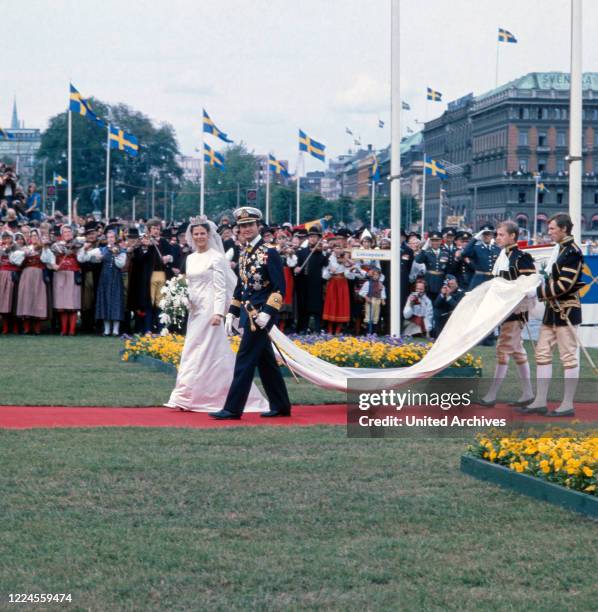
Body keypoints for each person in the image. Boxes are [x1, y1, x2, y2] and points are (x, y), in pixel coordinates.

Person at [166, 217, 268, 413]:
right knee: (191, 350)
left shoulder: (216, 257)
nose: (199, 237)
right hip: (195, 311)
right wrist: (182, 299)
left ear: (209, 235)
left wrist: (219, 314)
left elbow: (221, 289)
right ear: (191, 236)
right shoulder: (190, 258)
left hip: (211, 310)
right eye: (196, 234)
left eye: (202, 233)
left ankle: (201, 396)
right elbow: (188, 284)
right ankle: (187, 395)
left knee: (209, 352)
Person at [210, 206, 292, 420]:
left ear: (258, 226)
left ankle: (232, 408)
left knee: (244, 359)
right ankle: (281, 405)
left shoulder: (269, 252)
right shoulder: (245, 252)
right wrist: (232, 312)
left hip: (261, 317)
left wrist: (268, 312)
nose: (246, 229)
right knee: (266, 363)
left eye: (250, 225)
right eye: (242, 226)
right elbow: (241, 287)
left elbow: (279, 287)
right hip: (249, 314)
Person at [520, 213, 585, 417]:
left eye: (552, 229)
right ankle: (540, 400)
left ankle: (567, 404)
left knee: (568, 358)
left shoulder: (572, 252)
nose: (549, 232)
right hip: (552, 310)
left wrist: (538, 293)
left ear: (564, 229)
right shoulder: (559, 250)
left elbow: (565, 284)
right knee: (542, 354)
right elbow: (551, 278)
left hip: (567, 309)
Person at [476, 221, 536, 407]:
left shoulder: (521, 257)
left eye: (502, 235)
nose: (498, 238)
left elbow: (529, 284)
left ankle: (492, 395)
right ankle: (528, 393)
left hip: (516, 311)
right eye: (498, 234)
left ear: (512, 236)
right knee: (517, 351)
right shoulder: (503, 256)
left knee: (503, 349)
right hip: (504, 309)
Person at [16, 229, 53, 334]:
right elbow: (17, 262)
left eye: (36, 235)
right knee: (26, 299)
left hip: (39, 274)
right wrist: (24, 254)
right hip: (26, 274)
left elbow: (48, 260)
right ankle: (27, 328)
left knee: (38, 299)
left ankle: (37, 328)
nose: (34, 237)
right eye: (32, 236)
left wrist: (44, 247)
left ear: (39, 237)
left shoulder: (44, 248)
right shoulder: (25, 249)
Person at [294, 225, 329, 334]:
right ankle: (303, 328)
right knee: (303, 306)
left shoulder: (321, 253)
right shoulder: (301, 252)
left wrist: (324, 252)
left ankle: (317, 329)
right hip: (304, 283)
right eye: (311, 237)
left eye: (315, 237)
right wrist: (296, 269)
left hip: (316, 283)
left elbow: (326, 264)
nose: (313, 239)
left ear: (319, 239)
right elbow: (295, 266)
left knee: (316, 306)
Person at [95, 229, 127, 336]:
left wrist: (116, 254)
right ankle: (107, 330)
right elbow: (94, 258)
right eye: (108, 237)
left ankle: (116, 330)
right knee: (105, 300)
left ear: (116, 238)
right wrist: (98, 257)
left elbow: (121, 264)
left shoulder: (121, 250)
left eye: (112, 237)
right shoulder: (102, 249)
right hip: (105, 278)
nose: (110, 239)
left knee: (116, 301)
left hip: (116, 277)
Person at [322, 244, 353, 334]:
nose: (338, 250)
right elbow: (325, 275)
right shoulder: (329, 258)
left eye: (340, 248)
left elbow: (349, 275)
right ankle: (330, 330)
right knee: (332, 304)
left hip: (342, 283)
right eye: (336, 248)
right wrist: (330, 271)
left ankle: (338, 330)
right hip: (333, 283)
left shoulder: (345, 259)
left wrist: (346, 264)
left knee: (341, 304)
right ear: (333, 249)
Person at [462, 224, 500, 290]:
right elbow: (465, 253)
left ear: (492, 235)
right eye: (484, 234)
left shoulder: (497, 249)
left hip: (493, 280)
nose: (486, 236)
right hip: (479, 279)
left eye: (488, 234)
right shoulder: (476, 248)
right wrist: (475, 239)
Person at [0, 230, 24, 334]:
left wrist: (9, 251)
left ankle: (15, 327)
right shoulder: (1, 247)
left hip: (13, 275)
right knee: (3, 303)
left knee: (14, 301)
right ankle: (5, 327)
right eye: (4, 238)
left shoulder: (17, 248)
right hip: (2, 275)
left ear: (12, 238)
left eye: (8, 238)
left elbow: (18, 261)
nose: (6, 240)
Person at [359, 266, 387, 334]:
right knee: (368, 316)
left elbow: (382, 292)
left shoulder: (381, 285)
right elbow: (362, 292)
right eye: (374, 275)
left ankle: (374, 332)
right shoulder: (368, 283)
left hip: (377, 301)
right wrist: (366, 297)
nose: (375, 276)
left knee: (376, 316)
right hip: (370, 301)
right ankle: (367, 332)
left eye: (377, 275)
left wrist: (383, 299)